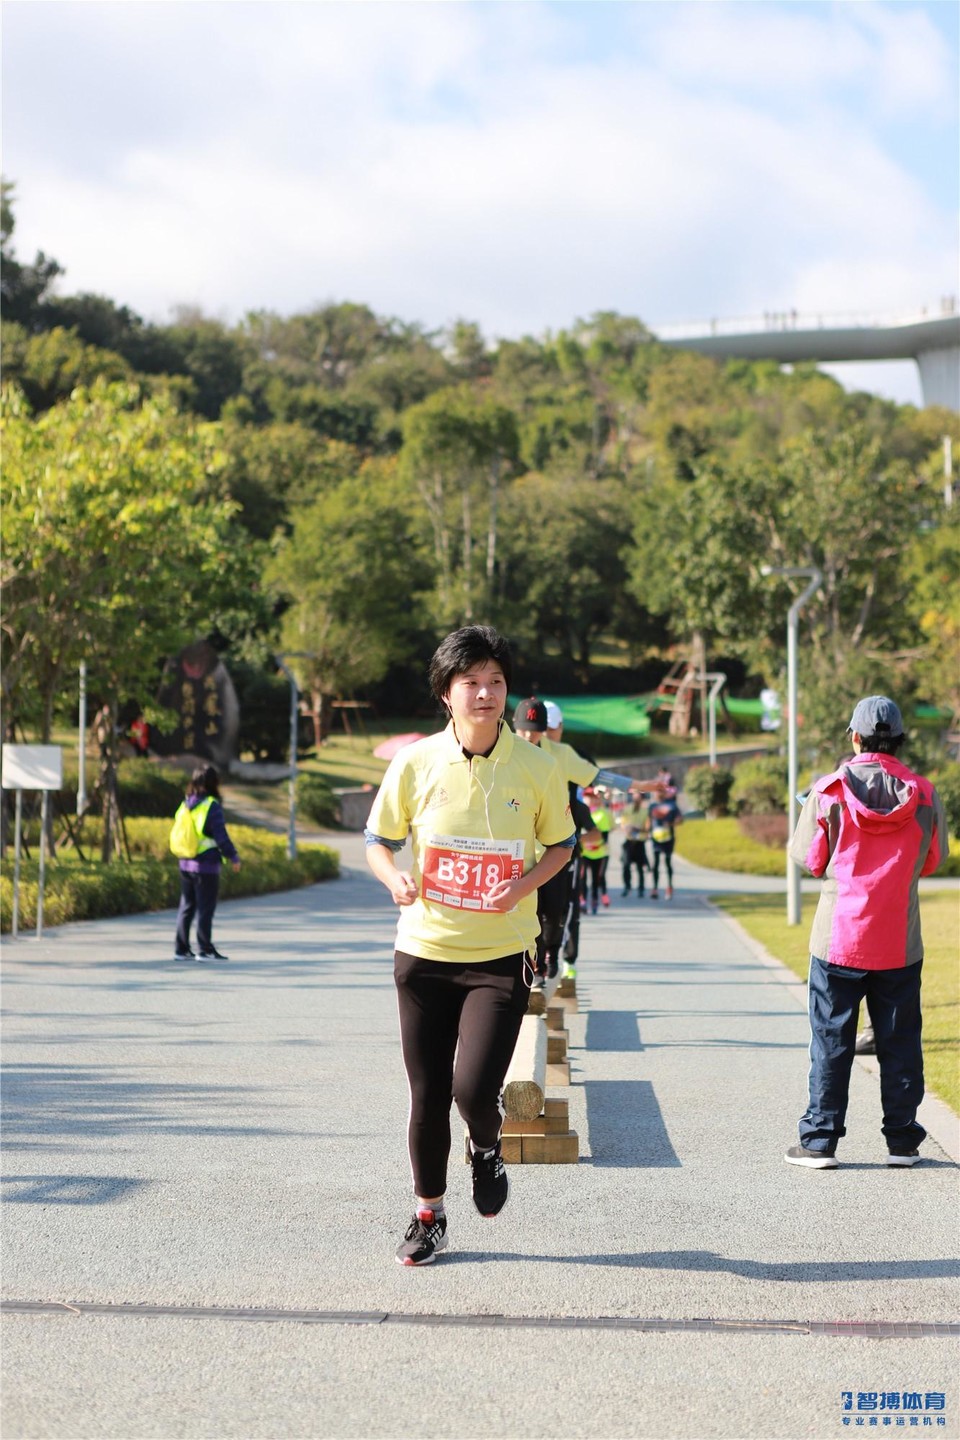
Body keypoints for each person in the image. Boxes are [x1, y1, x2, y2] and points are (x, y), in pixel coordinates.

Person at [365, 627, 574, 1266]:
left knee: (472, 1093)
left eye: (495, 682)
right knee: (427, 1095)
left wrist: (523, 888)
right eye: (471, 683)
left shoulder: (538, 767)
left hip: (499, 958)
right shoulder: (416, 763)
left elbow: (562, 847)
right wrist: (393, 875)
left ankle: (486, 1148)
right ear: (446, 695)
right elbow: (378, 838)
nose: (485, 694)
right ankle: (429, 1214)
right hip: (424, 953)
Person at [784, 695, 947, 1169]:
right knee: (899, 1041)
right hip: (899, 937)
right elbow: (933, 861)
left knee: (831, 1040)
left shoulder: (829, 790)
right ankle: (902, 1142)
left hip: (838, 938)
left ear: (854, 737)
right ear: (898, 739)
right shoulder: (925, 794)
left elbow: (809, 859)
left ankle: (819, 1142)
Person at [173, 765, 241, 962]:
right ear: (214, 783)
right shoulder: (211, 806)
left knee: (186, 906)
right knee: (205, 908)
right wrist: (233, 857)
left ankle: (181, 949)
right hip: (206, 866)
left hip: (185, 863)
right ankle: (204, 949)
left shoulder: (186, 804)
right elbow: (221, 837)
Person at [579, 787, 613, 914]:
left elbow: (604, 835)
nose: (588, 799)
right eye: (586, 796)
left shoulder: (602, 814)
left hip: (599, 853)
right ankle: (582, 901)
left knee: (596, 878)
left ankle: (594, 900)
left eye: (591, 797)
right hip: (584, 852)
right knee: (582, 877)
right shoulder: (581, 811)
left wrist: (596, 845)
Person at [647, 790, 682, 899]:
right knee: (656, 863)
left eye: (661, 791)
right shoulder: (652, 806)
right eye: (657, 791)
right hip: (656, 838)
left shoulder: (671, 805)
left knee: (667, 862)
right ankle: (655, 888)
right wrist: (646, 831)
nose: (659, 793)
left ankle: (669, 887)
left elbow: (680, 819)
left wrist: (671, 823)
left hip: (668, 837)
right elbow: (649, 821)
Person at [618, 794, 649, 897]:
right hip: (629, 841)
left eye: (638, 798)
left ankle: (641, 889)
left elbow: (648, 827)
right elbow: (622, 824)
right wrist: (627, 828)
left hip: (639, 842)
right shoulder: (627, 809)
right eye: (635, 798)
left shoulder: (645, 811)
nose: (636, 800)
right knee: (626, 865)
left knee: (640, 867)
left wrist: (638, 829)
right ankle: (627, 886)